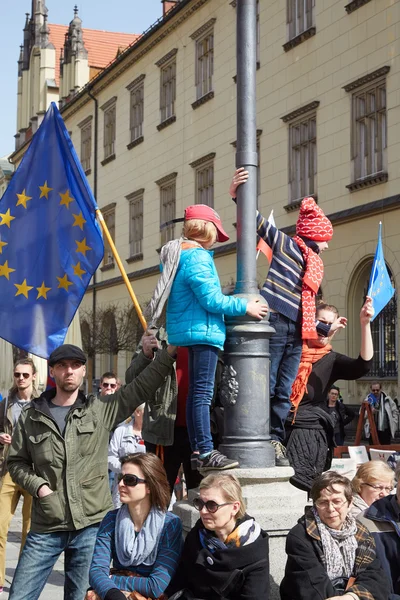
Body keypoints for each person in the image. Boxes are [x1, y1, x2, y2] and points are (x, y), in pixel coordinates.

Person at [7, 342, 177, 600]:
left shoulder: (100, 409)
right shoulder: (32, 416)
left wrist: (169, 354)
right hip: (47, 524)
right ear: (52, 371)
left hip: (91, 526)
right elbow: (16, 462)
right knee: (19, 595)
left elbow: (142, 386)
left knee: (80, 597)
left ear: (84, 371)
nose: (69, 371)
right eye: (62, 366)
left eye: (75, 365)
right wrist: (40, 488)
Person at [229, 169, 345, 466]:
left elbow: (306, 306)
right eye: (325, 239)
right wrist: (236, 194)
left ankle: (276, 440)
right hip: (277, 319)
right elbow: (257, 224)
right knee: (267, 383)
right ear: (315, 236)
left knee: (283, 388)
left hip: (296, 329)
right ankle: (259, 434)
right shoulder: (285, 244)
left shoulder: (315, 266)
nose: (328, 245)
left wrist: (324, 327)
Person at [145, 204, 268, 471]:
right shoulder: (198, 257)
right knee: (202, 394)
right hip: (203, 331)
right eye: (216, 232)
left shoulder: (179, 256)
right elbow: (212, 300)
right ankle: (205, 450)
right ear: (207, 229)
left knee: (194, 396)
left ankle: (198, 449)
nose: (216, 238)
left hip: (190, 331)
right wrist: (245, 306)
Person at [285, 297, 374, 492]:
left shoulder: (331, 360)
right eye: (321, 322)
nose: (326, 327)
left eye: (330, 323)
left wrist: (365, 324)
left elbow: (363, 365)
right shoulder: (290, 349)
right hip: (277, 431)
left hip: (309, 435)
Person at [280, 471, 390, 600]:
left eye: (337, 501)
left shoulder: (362, 533)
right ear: (315, 506)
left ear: (350, 503)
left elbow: (375, 576)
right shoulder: (301, 535)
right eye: (323, 502)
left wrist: (352, 596)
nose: (330, 508)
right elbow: (313, 585)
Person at [88, 452, 182, 600]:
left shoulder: (170, 524)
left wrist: (111, 579)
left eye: (129, 480)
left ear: (150, 486)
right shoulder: (111, 519)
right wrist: (114, 594)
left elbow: (156, 585)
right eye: (120, 478)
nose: (120, 485)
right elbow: (96, 571)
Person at [126, 328, 203, 495]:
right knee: (157, 498)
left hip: (201, 434)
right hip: (162, 430)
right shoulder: (157, 334)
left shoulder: (208, 331)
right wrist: (145, 355)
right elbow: (131, 380)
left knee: (202, 498)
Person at [168, 473, 269, 599]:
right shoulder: (196, 537)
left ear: (234, 507)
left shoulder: (254, 547)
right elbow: (179, 584)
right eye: (199, 503)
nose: (203, 511)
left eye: (212, 505)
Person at [0, 359, 38, 595]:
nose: (21, 378)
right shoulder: (5, 404)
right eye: (17, 374)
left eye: (25, 374)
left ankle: (23, 580)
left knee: (30, 531)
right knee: (0, 525)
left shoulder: (44, 403)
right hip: (9, 470)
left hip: (34, 472)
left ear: (33, 376)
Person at [357, 462, 400, 598]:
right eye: (378, 487)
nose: (383, 492)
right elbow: (365, 577)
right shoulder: (366, 521)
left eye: (387, 488)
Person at [108, 404, 146, 508]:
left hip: (146, 488)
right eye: (147, 411)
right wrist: (127, 470)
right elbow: (110, 457)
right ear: (137, 412)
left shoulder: (155, 434)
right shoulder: (121, 431)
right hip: (123, 487)